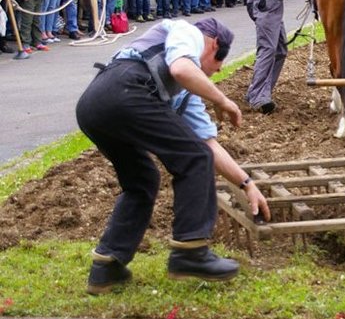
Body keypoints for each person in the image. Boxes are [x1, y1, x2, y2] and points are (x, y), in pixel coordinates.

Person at [75, 17, 270, 295]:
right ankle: (190, 251)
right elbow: (181, 68)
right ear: (214, 45)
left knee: (142, 180)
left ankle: (106, 266)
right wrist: (222, 100)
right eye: (218, 64)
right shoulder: (186, 31)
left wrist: (246, 184)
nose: (219, 70)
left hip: (95, 106)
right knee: (193, 157)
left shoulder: (184, 93)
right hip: (123, 91)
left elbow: (208, 145)